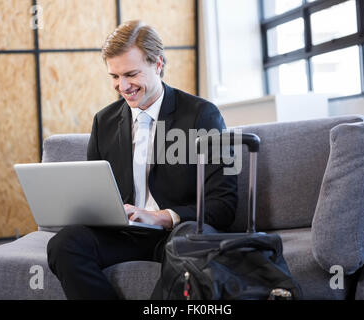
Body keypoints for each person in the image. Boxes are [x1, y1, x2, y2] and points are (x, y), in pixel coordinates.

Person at [47, 20, 237, 300]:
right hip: (125, 233)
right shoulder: (104, 121)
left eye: (131, 74)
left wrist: (162, 217)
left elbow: (224, 205)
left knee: (188, 242)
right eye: (114, 76)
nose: (122, 86)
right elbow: (94, 195)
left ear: (158, 64)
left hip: (177, 232)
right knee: (65, 243)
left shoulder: (201, 115)